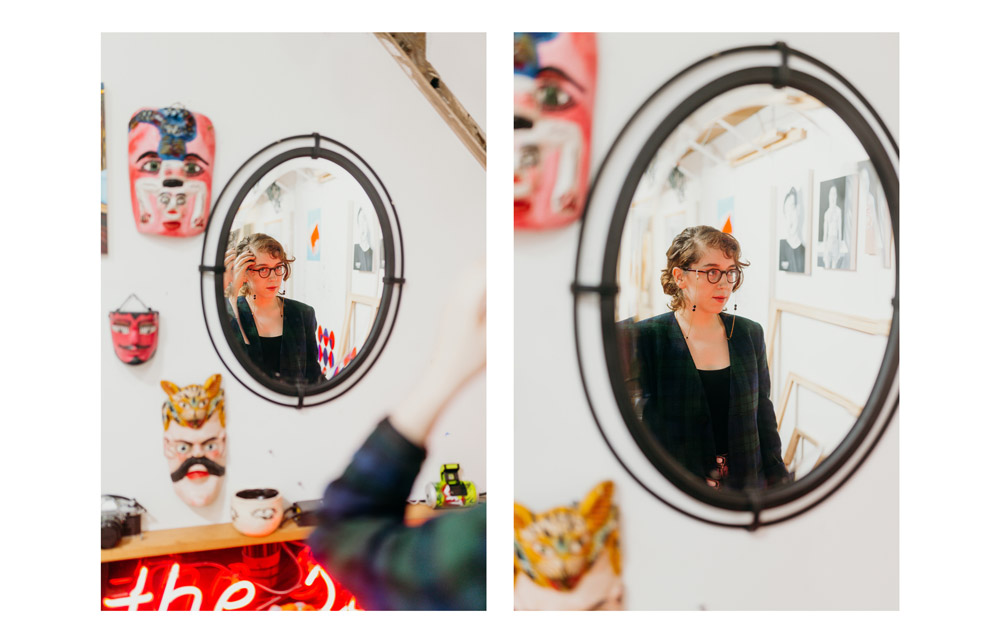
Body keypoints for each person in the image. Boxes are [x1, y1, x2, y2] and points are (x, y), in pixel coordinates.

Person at [308, 263, 487, 610]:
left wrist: (446, 373)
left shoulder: (481, 553)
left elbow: (340, 533)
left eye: (276, 269)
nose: (270, 276)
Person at [634, 226, 788, 490]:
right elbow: (636, 427)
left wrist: (779, 479)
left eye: (731, 273)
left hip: (746, 488)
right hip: (677, 491)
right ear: (680, 277)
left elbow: (763, 411)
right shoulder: (647, 337)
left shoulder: (749, 333)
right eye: (712, 272)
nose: (725, 283)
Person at [228, 233, 321, 385]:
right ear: (244, 273)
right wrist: (232, 296)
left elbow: (313, 375)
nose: (273, 277)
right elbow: (235, 366)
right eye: (263, 269)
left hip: (293, 405)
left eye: (278, 267)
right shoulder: (231, 312)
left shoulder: (303, 314)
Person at [778, 187, 805, 273]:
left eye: (792, 208)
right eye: (787, 211)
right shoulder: (781, 248)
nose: (789, 217)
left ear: (799, 210)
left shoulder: (804, 252)